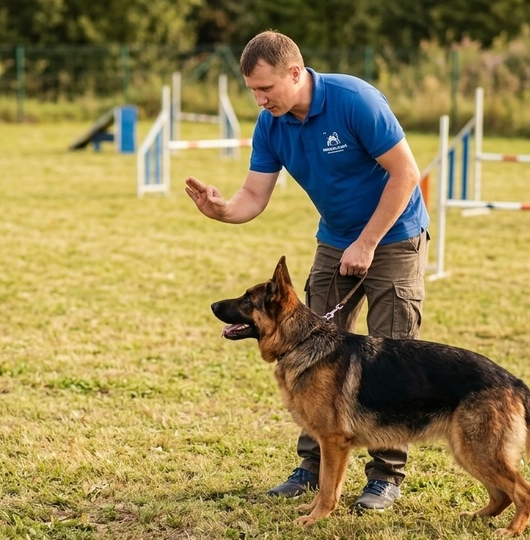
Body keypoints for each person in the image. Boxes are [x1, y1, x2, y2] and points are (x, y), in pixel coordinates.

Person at [185, 30, 429, 512]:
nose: (259, 99)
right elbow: (253, 196)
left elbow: (406, 173)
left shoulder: (354, 100)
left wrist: (368, 241)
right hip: (335, 240)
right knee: (309, 354)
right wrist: (222, 211)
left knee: (393, 355)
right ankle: (311, 467)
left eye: (266, 88)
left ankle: (385, 476)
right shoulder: (270, 124)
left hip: (394, 235)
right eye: (252, 90)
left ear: (295, 74)